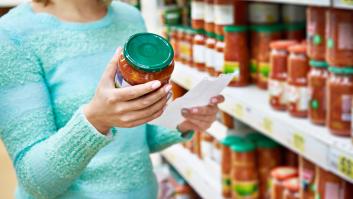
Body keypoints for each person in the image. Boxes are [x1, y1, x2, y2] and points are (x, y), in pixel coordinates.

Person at [0, 0, 224, 198]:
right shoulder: (13, 35)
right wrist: (96, 120)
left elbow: (137, 139)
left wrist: (181, 120)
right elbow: (36, 181)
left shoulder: (130, 18)